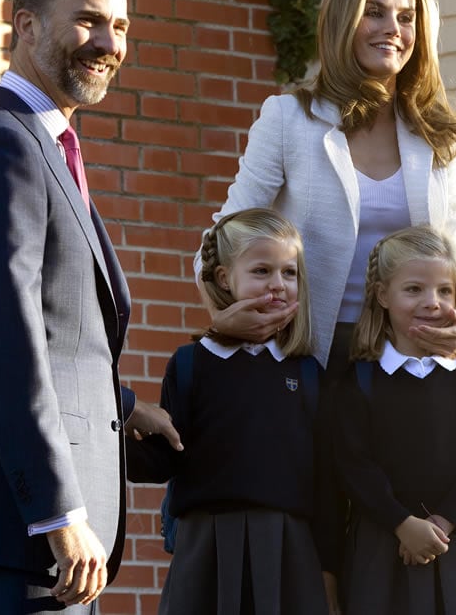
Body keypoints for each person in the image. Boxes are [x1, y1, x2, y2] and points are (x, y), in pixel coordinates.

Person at [194, 0, 456, 383]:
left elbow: (454, 244)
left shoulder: (433, 135)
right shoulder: (288, 118)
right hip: (309, 354)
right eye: (375, 13)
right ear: (343, 21)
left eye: (407, 18)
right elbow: (226, 231)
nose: (393, 29)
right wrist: (223, 313)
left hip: (409, 355)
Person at [0, 0, 181, 612]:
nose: (107, 43)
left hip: (65, 551)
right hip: (29, 539)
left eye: (121, 27)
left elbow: (55, 327)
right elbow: (6, 335)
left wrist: (124, 408)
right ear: (28, 25)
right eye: (89, 21)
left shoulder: (50, 145)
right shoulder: (6, 142)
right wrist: (54, 514)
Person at [126, 208, 342, 615]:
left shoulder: (310, 373)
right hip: (204, 548)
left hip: (290, 550)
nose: (278, 284)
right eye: (262, 270)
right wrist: (116, 425)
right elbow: (162, 460)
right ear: (225, 278)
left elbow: (326, 482)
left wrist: (328, 570)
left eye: (289, 272)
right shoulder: (192, 364)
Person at [334, 225, 456, 614]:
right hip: (383, 545)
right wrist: (402, 523)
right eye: (414, 289)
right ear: (383, 295)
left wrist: (444, 521)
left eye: (445, 291)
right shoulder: (361, 380)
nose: (432, 302)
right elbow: (352, 463)